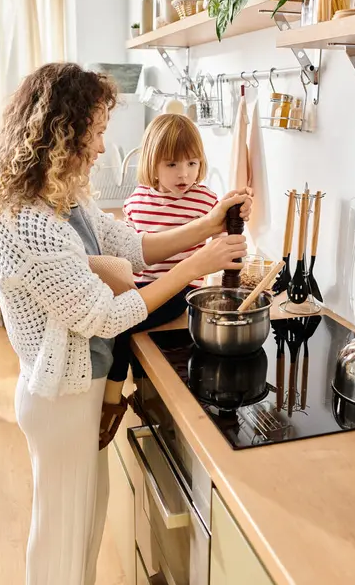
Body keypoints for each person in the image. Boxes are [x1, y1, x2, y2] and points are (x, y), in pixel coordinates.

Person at [0, 62, 252, 585]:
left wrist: (209, 225)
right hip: (59, 400)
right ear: (64, 132)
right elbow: (104, 314)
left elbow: (131, 245)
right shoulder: (27, 223)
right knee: (60, 534)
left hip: (79, 390)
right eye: (97, 132)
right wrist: (199, 264)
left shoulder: (63, 200)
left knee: (86, 523)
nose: (103, 146)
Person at [99, 114, 251, 448]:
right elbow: (131, 254)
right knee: (122, 323)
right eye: (171, 164)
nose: (183, 174)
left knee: (124, 326)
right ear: (153, 165)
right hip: (142, 288)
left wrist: (238, 210)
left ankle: (111, 401)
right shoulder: (137, 200)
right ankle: (132, 395)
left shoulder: (205, 200)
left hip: (183, 292)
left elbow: (227, 241)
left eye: (192, 163)